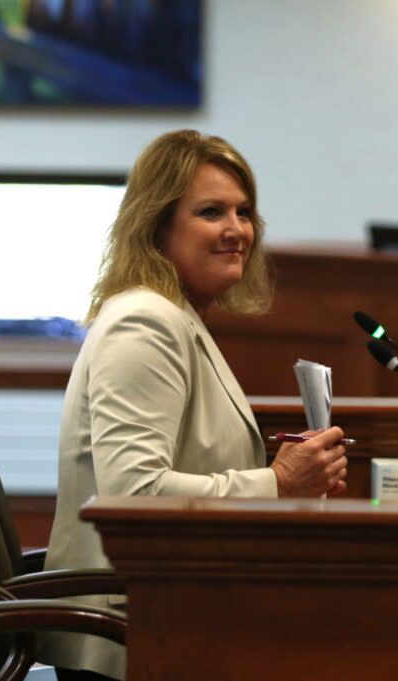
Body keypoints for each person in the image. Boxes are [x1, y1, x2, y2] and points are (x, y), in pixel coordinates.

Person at [40, 130, 348, 681]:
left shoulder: (176, 314)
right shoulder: (145, 322)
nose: (237, 231)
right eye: (212, 212)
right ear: (157, 226)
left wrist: (288, 472)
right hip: (134, 629)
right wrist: (277, 483)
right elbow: (134, 495)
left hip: (172, 607)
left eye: (244, 212)